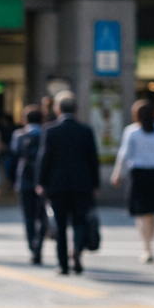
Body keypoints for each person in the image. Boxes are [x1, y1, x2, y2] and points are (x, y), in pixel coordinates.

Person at [36, 90, 100, 275]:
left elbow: (44, 159)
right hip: (82, 185)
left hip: (57, 186)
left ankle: (63, 265)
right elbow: (93, 160)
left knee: (60, 225)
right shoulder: (86, 130)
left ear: (57, 109)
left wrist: (41, 182)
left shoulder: (50, 130)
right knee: (80, 220)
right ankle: (78, 248)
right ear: (76, 110)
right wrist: (95, 184)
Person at [110, 100, 154, 264]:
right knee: (152, 211)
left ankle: (146, 245)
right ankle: (149, 243)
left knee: (141, 212)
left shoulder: (132, 132)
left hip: (139, 175)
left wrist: (118, 174)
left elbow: (124, 155)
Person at [11, 105, 47, 265]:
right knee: (42, 216)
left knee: (28, 216)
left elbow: (13, 155)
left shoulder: (19, 135)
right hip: (43, 181)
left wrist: (11, 179)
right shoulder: (46, 134)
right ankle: (39, 244)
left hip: (24, 179)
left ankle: (32, 247)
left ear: (25, 119)